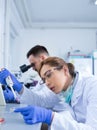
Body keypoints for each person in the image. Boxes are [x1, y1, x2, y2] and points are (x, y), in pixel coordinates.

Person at [13, 57, 97, 130]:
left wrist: (51, 117)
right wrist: (20, 89)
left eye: (48, 75)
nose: (47, 83)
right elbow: (41, 101)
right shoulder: (63, 89)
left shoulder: (93, 86)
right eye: (44, 80)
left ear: (65, 70)